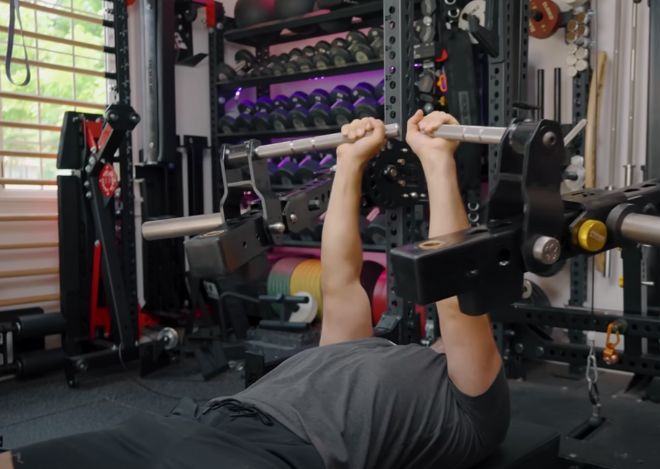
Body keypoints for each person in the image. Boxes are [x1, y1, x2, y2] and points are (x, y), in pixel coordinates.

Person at [1, 111, 509, 469]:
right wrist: (350, 163)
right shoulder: (361, 346)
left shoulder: (472, 409)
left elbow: (455, 295)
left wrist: (438, 162)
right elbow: (339, 274)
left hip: (265, 454)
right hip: (200, 420)